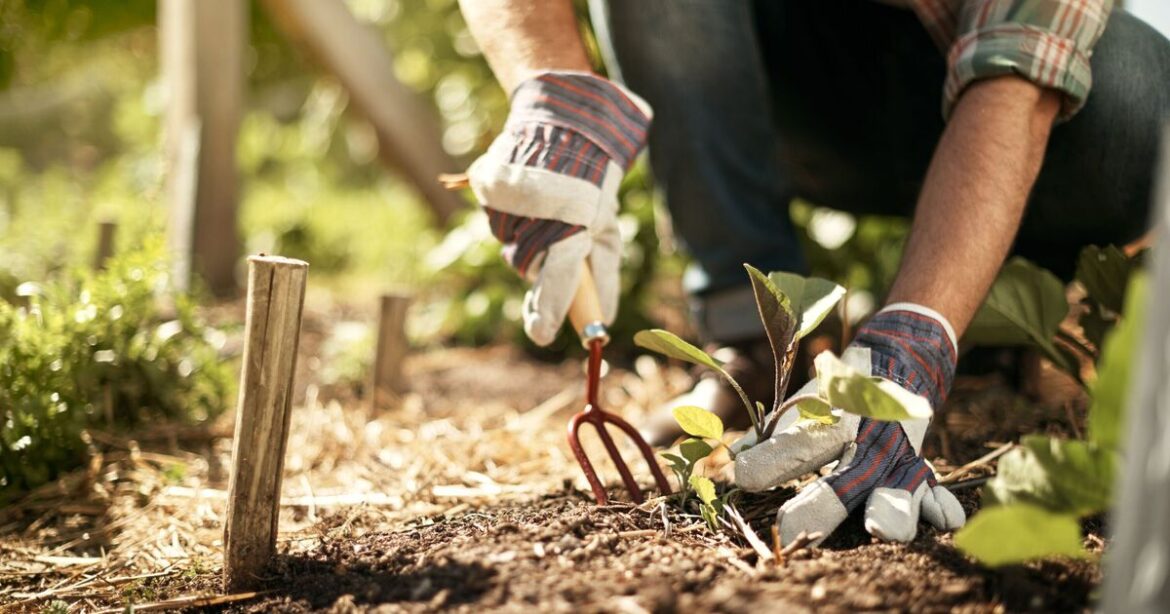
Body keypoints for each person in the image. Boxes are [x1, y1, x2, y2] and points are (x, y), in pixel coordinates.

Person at [456, 0, 1170, 546]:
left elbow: (1022, 77)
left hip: (1004, 87)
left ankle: (994, 306)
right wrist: (548, 90)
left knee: (1142, 102)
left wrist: (913, 339)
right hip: (791, 89)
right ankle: (755, 334)